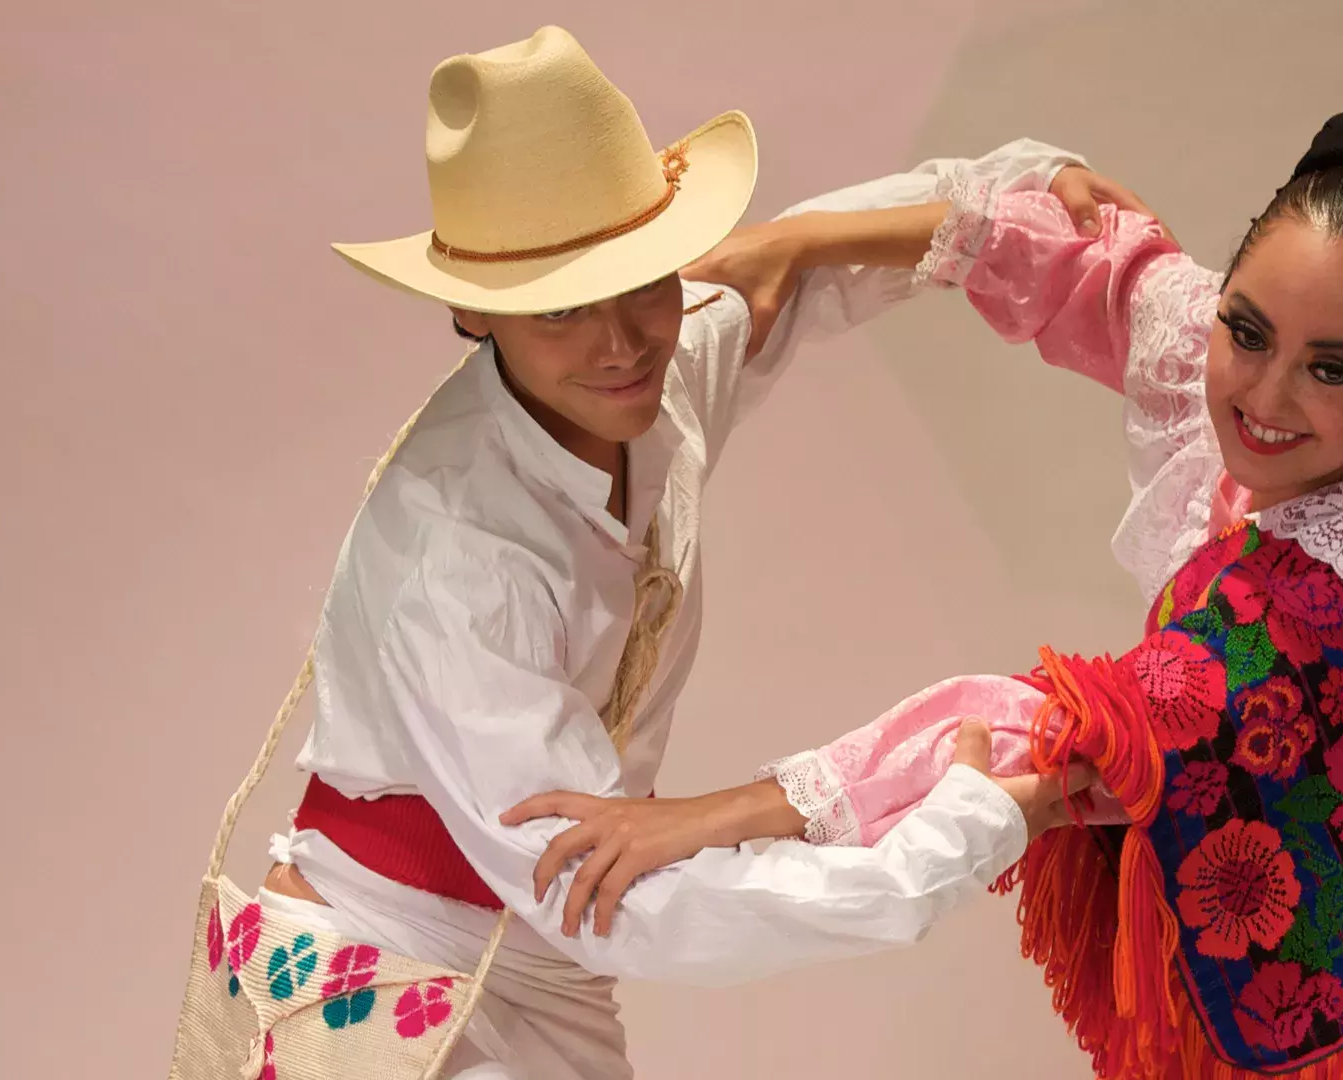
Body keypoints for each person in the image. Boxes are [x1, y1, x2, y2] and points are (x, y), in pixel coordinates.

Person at [520, 107, 1343, 1079]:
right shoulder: (1266, 385)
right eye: (1246, 329)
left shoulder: (1335, 586)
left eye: (1333, 367)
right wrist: (800, 242)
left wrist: (705, 815)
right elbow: (1097, 268)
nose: (1262, 396)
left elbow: (1038, 727)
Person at [232, 24, 1149, 1080]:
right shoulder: (457, 559)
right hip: (382, 966)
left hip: (549, 964)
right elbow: (618, 899)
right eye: (564, 308)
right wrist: (952, 840)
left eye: (646, 278)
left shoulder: (661, 363)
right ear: (473, 308)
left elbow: (815, 256)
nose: (622, 340)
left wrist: (1026, 183)